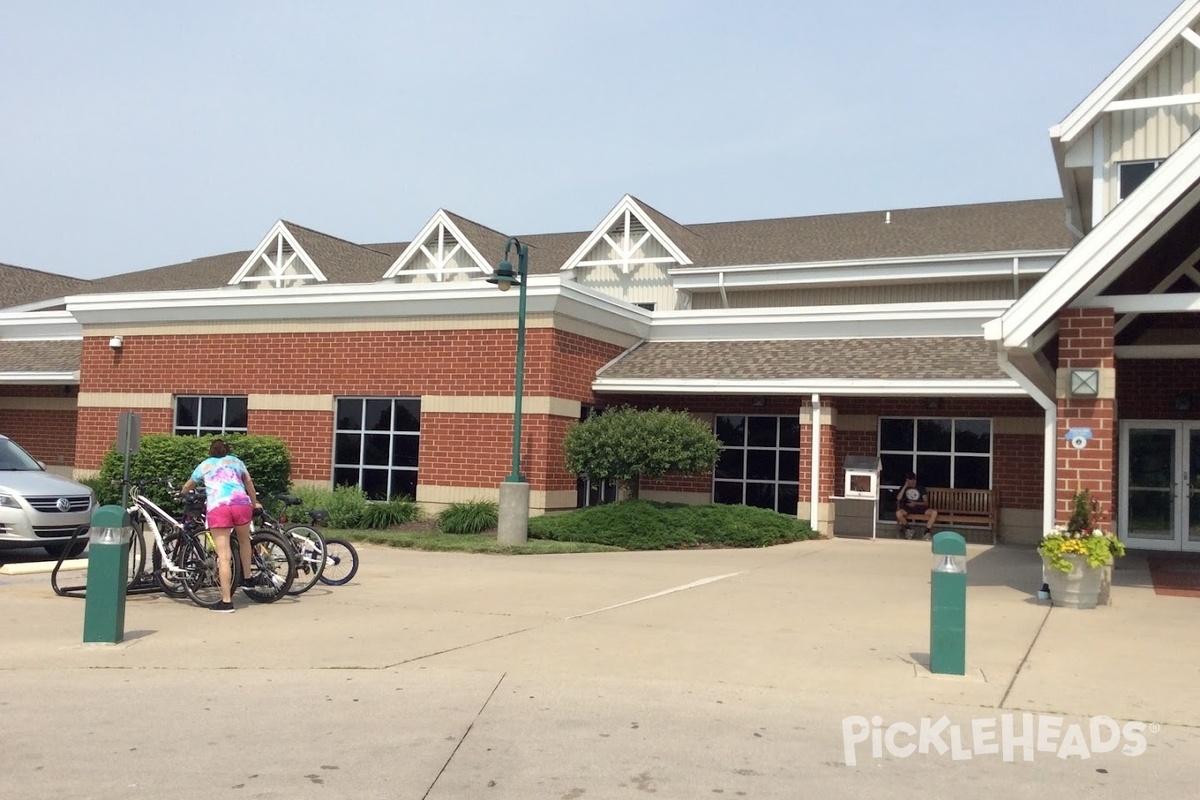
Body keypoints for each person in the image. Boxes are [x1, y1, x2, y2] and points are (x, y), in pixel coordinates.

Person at [180, 439, 262, 612]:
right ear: (227, 450)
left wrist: (183, 493)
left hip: (219, 507)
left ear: (211, 451)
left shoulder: (205, 465)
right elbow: (249, 485)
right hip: (241, 504)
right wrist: (254, 504)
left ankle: (226, 601)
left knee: (224, 555)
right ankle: (247, 578)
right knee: (244, 541)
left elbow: (189, 484)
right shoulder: (236, 462)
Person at [895, 472, 937, 540]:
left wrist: (916, 503)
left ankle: (926, 532)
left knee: (934, 513)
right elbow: (898, 498)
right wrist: (905, 486)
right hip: (908, 507)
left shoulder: (920, 488)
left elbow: (926, 502)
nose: (909, 482)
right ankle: (908, 529)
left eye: (910, 480)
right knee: (898, 513)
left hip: (920, 507)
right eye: (907, 480)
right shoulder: (904, 488)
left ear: (914, 480)